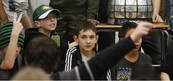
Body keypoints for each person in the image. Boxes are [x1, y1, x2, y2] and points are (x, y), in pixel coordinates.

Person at [23, 22, 154, 80]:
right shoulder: (63, 78)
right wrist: (131, 40)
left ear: (26, 61)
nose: (88, 41)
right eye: (84, 37)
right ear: (54, 64)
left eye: (91, 37)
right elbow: (100, 62)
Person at [0, 13, 24, 80]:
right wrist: (14, 34)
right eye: (13, 44)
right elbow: (8, 64)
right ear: (3, 44)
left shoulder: (20, 59)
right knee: (1, 73)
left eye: (19, 46)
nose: (17, 49)